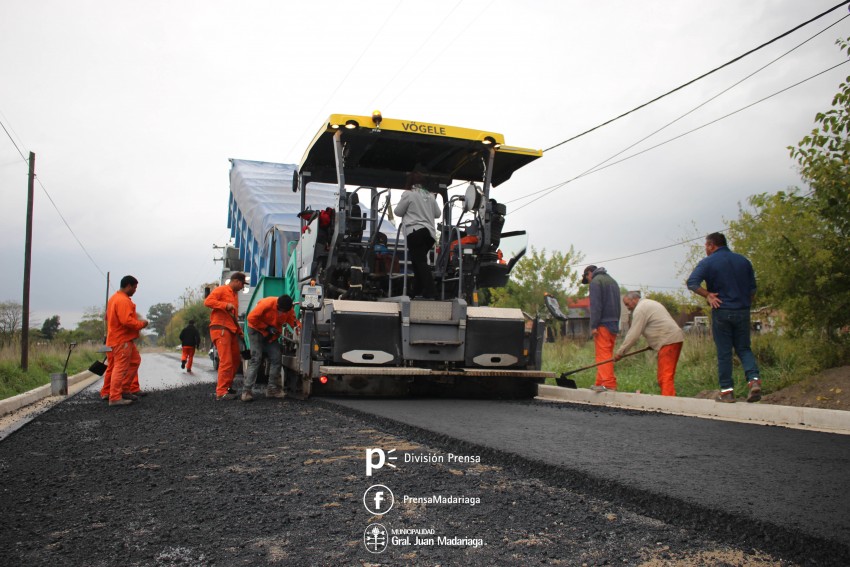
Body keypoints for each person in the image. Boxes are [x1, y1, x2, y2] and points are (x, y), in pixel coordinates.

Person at [687, 232, 761, 403]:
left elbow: (692, 282)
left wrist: (708, 295)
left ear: (711, 245)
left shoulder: (708, 262)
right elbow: (752, 290)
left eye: (706, 246)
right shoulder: (743, 261)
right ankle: (754, 381)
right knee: (744, 348)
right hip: (742, 310)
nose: (706, 250)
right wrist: (744, 304)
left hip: (721, 310)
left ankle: (727, 392)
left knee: (724, 352)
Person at [615, 291, 684, 396]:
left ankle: (668, 403)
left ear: (634, 299)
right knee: (664, 376)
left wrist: (620, 352)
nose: (628, 308)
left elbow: (633, 334)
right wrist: (653, 344)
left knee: (665, 377)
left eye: (627, 304)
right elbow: (657, 323)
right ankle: (669, 399)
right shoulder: (649, 303)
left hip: (668, 341)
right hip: (672, 339)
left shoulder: (640, 309)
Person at [394, 167, 441, 299]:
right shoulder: (430, 195)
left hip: (414, 231)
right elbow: (438, 214)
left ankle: (431, 291)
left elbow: (398, 212)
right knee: (417, 262)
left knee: (420, 262)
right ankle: (417, 290)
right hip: (429, 234)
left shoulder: (408, 194)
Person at [242, 295, 298, 402]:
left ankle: (272, 389)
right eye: (281, 310)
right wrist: (267, 327)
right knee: (256, 359)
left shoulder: (289, 310)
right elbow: (251, 318)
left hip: (270, 335)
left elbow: (294, 323)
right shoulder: (266, 304)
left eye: (285, 311)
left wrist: (300, 331)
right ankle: (246, 391)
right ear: (278, 305)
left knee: (276, 358)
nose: (283, 312)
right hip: (256, 330)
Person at [105, 275, 149, 406]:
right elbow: (126, 320)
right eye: (134, 288)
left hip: (120, 338)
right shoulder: (122, 300)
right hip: (121, 339)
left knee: (135, 360)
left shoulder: (114, 299)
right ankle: (115, 397)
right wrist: (141, 324)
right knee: (120, 367)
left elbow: (108, 317)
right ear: (128, 286)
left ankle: (124, 390)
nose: (135, 290)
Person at [204, 272, 246, 400]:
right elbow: (208, 301)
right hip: (221, 328)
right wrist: (224, 305)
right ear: (236, 281)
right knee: (226, 361)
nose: (243, 287)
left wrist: (239, 331)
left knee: (235, 359)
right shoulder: (222, 290)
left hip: (231, 330)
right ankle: (221, 392)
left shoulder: (235, 295)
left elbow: (233, 317)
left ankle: (227, 386)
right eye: (242, 284)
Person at [582, 265, 621, 391]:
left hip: (603, 324)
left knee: (602, 355)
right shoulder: (613, 281)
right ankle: (600, 383)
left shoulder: (595, 282)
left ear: (589, 273)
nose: (588, 281)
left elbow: (596, 306)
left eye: (587, 279)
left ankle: (608, 384)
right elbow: (618, 305)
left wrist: (594, 325)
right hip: (614, 323)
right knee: (607, 354)